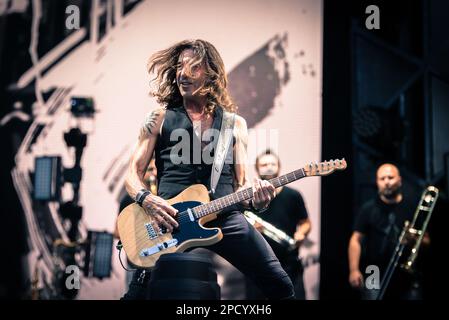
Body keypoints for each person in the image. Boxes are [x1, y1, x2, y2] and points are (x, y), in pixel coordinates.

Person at [122, 39, 295, 300]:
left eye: (193, 67)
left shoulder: (234, 125)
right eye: (180, 66)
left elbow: (245, 184)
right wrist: (148, 201)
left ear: (211, 73)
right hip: (170, 219)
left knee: (280, 285)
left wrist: (258, 201)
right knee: (138, 295)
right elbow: (131, 174)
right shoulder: (159, 118)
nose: (183, 73)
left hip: (225, 215)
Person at [348, 163, 429, 300]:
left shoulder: (412, 207)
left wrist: (414, 238)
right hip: (373, 271)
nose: (386, 182)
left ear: (399, 180)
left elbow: (426, 240)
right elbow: (355, 239)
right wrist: (354, 269)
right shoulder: (368, 208)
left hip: (406, 274)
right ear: (377, 182)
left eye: (390, 177)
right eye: (382, 178)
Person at [246, 149, 311, 299]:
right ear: (257, 168)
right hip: (257, 266)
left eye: (272, 164)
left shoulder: (293, 195)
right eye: (264, 164)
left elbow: (306, 223)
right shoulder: (248, 197)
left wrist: (301, 233)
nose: (269, 167)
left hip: (289, 264)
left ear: (279, 167)